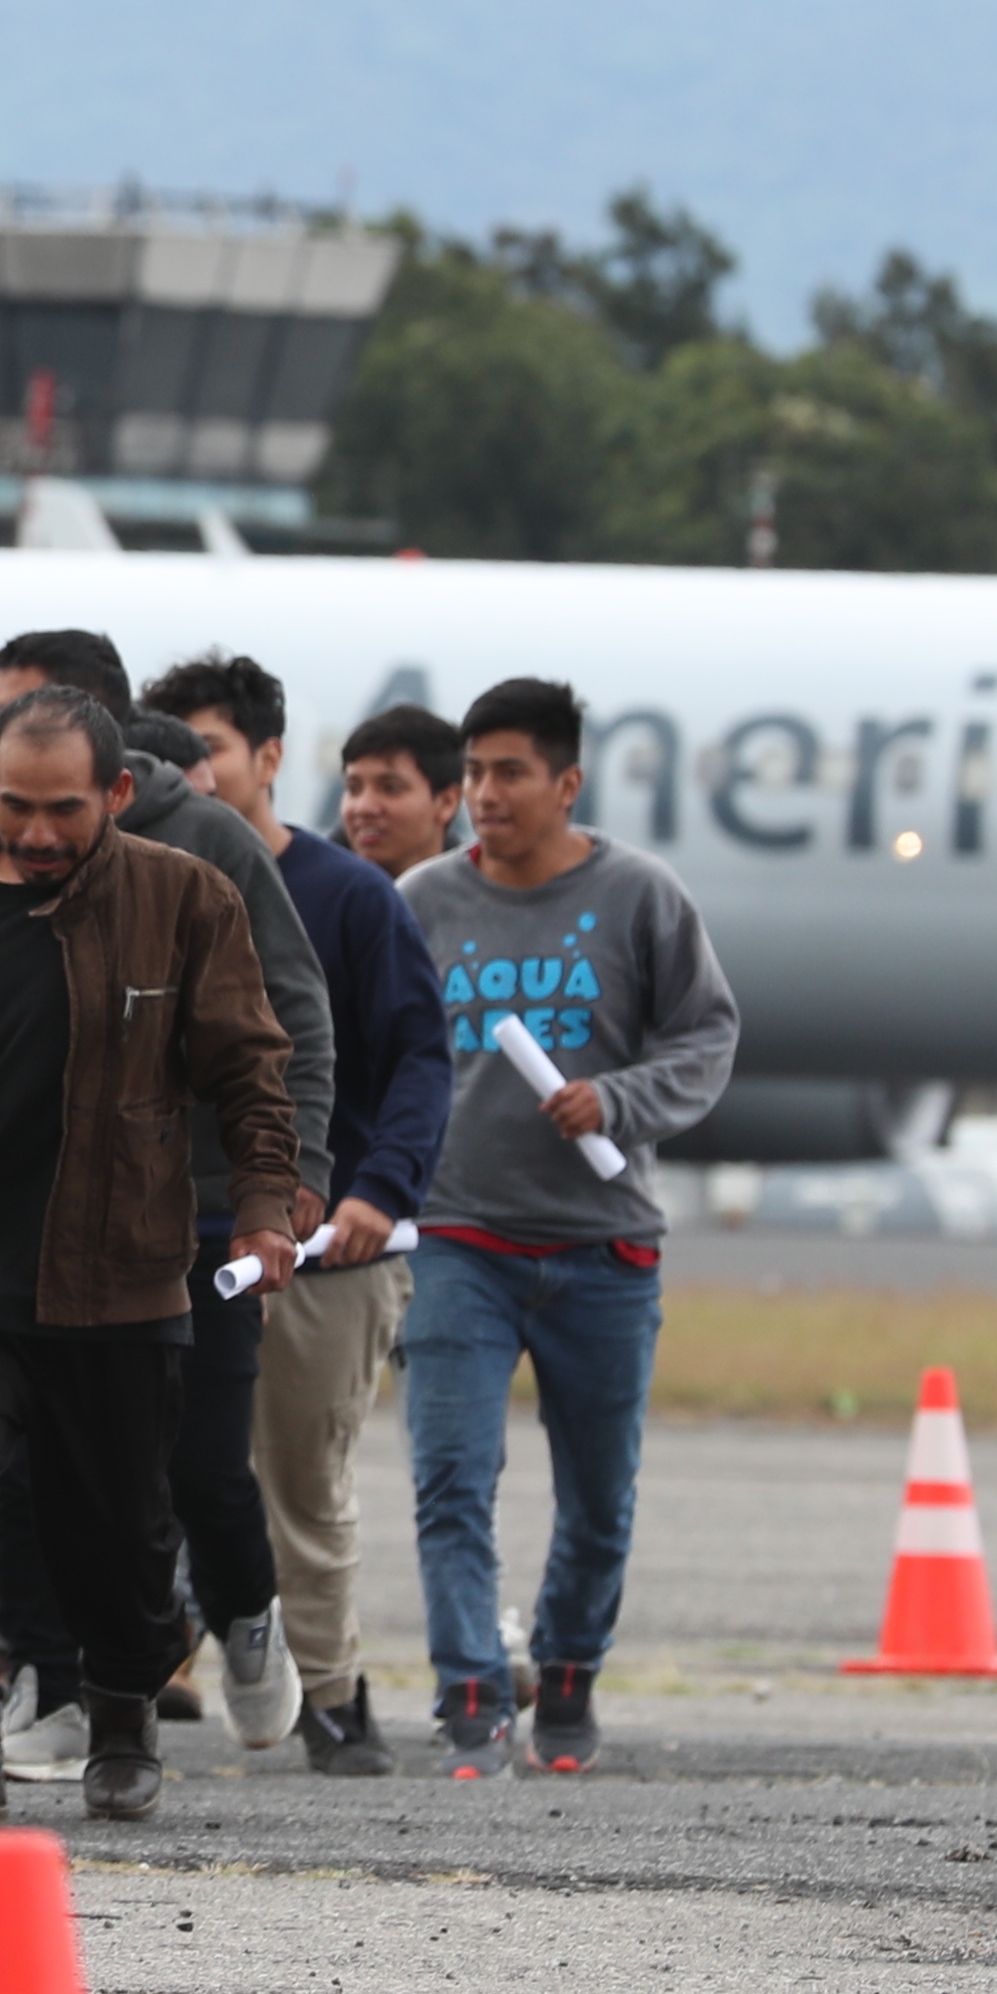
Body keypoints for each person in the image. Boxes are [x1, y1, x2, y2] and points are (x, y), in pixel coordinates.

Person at [0, 688, 299, 1830]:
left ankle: (126, 1706)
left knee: (118, 1516)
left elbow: (248, 1066)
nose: (35, 833)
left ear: (118, 795)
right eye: (14, 806)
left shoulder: (184, 898)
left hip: (125, 1269)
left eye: (64, 810)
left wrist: (264, 1208)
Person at [0, 630, 334, 1756]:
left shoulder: (209, 842)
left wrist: (288, 1182)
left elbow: (293, 1020)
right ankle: (59, 1683)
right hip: (37, 1210)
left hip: (194, 1206)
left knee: (190, 1462)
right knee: (27, 1460)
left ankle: (241, 1611)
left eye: (33, 719)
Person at [397, 677, 739, 1779]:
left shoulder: (639, 895)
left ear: (565, 782)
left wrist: (618, 1100)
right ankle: (467, 1696)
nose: (482, 794)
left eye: (508, 773)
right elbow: (379, 1051)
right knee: (450, 1473)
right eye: (473, 773)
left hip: (601, 1243)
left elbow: (704, 1038)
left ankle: (569, 1674)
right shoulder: (422, 899)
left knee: (597, 1491)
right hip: (459, 1235)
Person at [142, 652, 453, 1776]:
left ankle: (330, 1694)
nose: (180, 776)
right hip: (178, 1239)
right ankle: (142, 1676)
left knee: (301, 1479)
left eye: (204, 751)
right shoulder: (129, 881)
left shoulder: (347, 895)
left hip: (327, 1250)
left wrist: (373, 1190)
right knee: (167, 1468)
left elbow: (417, 1059)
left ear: (266, 758)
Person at [340, 703, 466, 878]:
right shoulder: (307, 895)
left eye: (390, 788)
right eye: (353, 789)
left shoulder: (487, 899)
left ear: (447, 802)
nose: (363, 808)